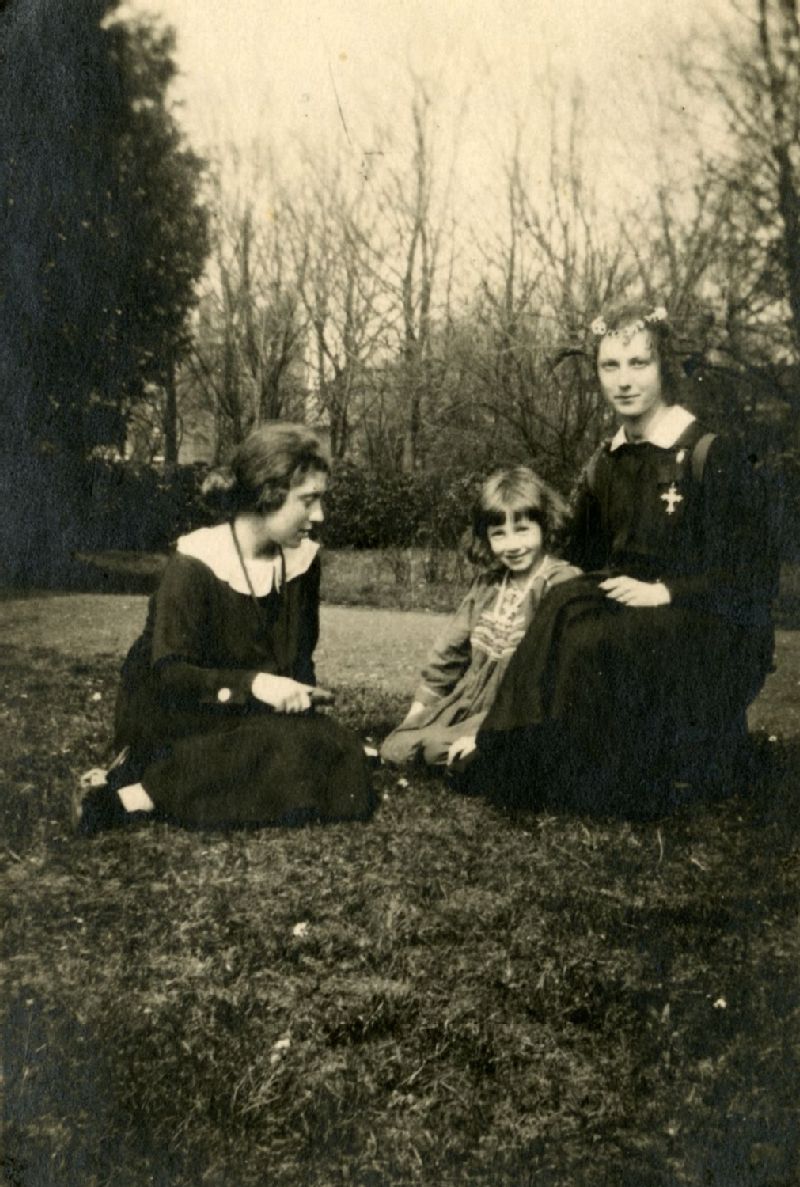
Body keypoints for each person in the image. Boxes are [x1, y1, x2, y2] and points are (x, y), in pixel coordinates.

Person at [473, 302, 775, 814]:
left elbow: (754, 574)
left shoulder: (709, 453)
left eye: (639, 363)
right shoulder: (607, 461)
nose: (624, 380)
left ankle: (612, 785)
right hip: (635, 606)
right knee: (564, 602)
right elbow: (579, 555)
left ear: (664, 369)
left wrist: (665, 592)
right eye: (610, 366)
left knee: (599, 637)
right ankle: (507, 752)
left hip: (711, 622)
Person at [75, 422, 375, 834]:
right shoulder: (195, 562)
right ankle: (129, 797)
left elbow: (300, 657)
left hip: (253, 718)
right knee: (285, 749)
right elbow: (168, 674)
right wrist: (254, 685)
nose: (319, 515)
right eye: (308, 501)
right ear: (268, 494)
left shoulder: (304, 562)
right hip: (182, 714)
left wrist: (300, 700)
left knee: (337, 749)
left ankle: (177, 789)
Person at [380, 467, 580, 770]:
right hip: (471, 703)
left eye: (523, 530)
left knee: (439, 749)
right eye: (499, 534)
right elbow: (448, 654)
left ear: (545, 525)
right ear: (486, 538)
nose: (512, 545)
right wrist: (416, 716)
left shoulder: (559, 582)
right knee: (397, 746)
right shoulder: (488, 585)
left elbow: (557, 672)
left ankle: (495, 751)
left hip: (521, 711)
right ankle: (476, 751)